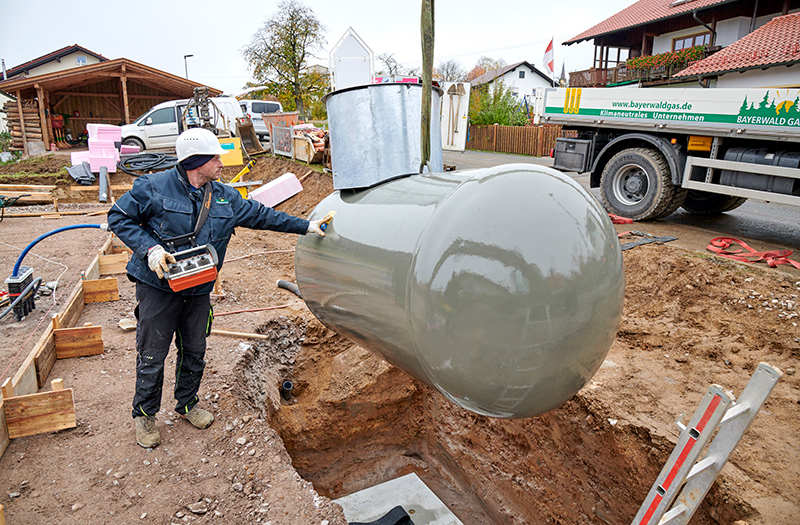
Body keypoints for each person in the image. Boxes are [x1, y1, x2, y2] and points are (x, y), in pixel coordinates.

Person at [108, 127, 332, 448]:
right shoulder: (153, 187)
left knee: (195, 349)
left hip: (198, 287)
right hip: (158, 286)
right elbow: (119, 217)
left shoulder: (224, 195)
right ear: (196, 162)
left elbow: (263, 216)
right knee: (153, 353)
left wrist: (308, 226)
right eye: (215, 158)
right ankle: (145, 414)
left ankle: (187, 404)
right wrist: (151, 249)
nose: (220, 163)